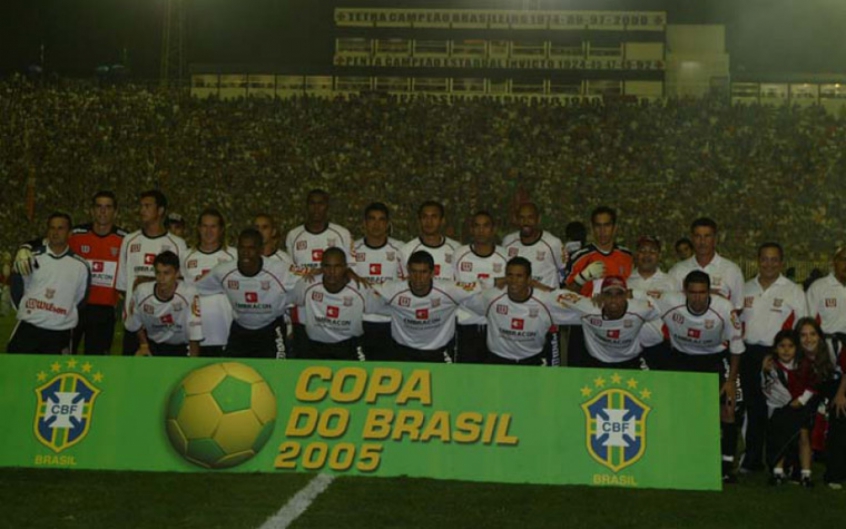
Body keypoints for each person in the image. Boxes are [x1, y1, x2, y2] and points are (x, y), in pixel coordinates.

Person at [643, 270, 745, 483]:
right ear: (684, 292)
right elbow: (636, 296)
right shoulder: (670, 301)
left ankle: (726, 466)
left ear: (710, 292)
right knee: (676, 410)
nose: (697, 298)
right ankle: (677, 458)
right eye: (693, 293)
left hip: (715, 358)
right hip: (682, 358)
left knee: (727, 408)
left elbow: (736, 347)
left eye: (702, 293)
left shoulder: (724, 308)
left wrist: (730, 381)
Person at [740, 242, 808, 473]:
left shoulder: (793, 290)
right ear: (758, 260)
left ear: (782, 262)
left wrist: (785, 357)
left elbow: (802, 326)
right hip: (748, 353)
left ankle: (781, 461)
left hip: (778, 354)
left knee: (779, 410)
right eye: (764, 259)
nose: (769, 264)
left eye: (774, 259)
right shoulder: (746, 287)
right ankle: (752, 459)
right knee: (754, 408)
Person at [197, 228, 296, 358]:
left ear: (260, 250)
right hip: (240, 330)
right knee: (229, 369)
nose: (245, 253)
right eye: (242, 248)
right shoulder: (223, 271)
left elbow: (308, 277)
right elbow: (196, 288)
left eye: (251, 248)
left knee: (276, 371)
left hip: (271, 329)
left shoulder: (280, 270)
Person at [116, 190, 188, 356]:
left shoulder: (177, 244)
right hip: (135, 326)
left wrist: (146, 281)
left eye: (147, 206)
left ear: (161, 210)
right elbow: (123, 286)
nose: (142, 210)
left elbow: (181, 284)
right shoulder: (129, 240)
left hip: (165, 326)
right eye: (141, 206)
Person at [462, 257, 571, 365]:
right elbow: (462, 293)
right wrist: (494, 281)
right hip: (498, 360)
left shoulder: (545, 301)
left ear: (529, 279)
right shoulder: (491, 297)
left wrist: (545, 288)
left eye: (519, 276)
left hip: (532, 360)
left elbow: (571, 304)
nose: (513, 281)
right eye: (510, 275)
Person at [370, 251, 475, 363]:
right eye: (413, 271)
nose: (418, 277)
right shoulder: (392, 289)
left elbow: (478, 287)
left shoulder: (448, 290)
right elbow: (363, 291)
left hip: (438, 353)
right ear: (408, 271)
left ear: (432, 273)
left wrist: (494, 281)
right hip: (403, 352)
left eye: (423, 272)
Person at [8, 213, 91, 355]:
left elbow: (80, 300)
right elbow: (16, 288)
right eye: (52, 228)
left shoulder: (81, 266)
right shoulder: (30, 257)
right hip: (29, 329)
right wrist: (30, 311)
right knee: (15, 373)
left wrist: (57, 313)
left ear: (70, 233)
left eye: (60, 228)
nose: (55, 232)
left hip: (59, 333)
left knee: (55, 376)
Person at [285, 189, 353, 357]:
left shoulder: (341, 234)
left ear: (327, 207)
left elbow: (350, 270)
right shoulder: (293, 236)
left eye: (320, 203)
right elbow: (290, 274)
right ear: (306, 207)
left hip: (335, 316)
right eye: (312, 203)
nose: (316, 208)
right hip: (304, 317)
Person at [564, 206, 632, 367]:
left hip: (617, 326)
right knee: (581, 380)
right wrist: (582, 278)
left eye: (607, 225)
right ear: (592, 228)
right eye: (598, 226)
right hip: (584, 325)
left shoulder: (627, 256)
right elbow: (564, 296)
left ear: (614, 228)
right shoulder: (580, 257)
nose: (602, 231)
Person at [502, 202, 568, 366]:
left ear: (538, 219)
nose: (526, 222)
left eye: (530, 217)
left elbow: (563, 274)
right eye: (522, 218)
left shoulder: (553, 243)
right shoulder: (508, 242)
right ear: (516, 220)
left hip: (544, 316)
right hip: (517, 315)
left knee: (549, 366)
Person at [553, 276, 659, 369]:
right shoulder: (589, 307)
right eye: (608, 294)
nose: (613, 299)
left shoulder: (641, 309)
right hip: (596, 362)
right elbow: (555, 296)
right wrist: (581, 278)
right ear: (601, 296)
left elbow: (667, 301)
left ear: (626, 295)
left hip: (630, 361)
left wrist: (636, 293)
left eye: (619, 294)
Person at [292, 248, 379, 360]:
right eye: (327, 266)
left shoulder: (360, 288)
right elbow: (293, 301)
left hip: (348, 345)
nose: (332, 271)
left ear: (345, 267)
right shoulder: (308, 283)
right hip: (314, 346)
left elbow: (379, 310)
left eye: (337, 266)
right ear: (321, 267)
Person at [68, 191, 126, 355]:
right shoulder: (75, 235)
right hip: (74, 306)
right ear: (92, 210)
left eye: (108, 207)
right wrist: (27, 247)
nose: (103, 211)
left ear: (115, 212)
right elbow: (51, 240)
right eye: (99, 207)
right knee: (64, 356)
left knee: (97, 360)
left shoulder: (124, 240)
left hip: (104, 311)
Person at [794, 318, 846, 489]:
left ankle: (834, 475)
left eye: (813, 334)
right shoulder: (796, 353)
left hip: (840, 385)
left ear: (820, 335)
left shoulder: (834, 345)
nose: (808, 339)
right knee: (800, 418)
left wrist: (840, 395)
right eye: (803, 335)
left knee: (838, 419)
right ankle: (797, 468)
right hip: (814, 387)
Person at [761, 330, 816, 487]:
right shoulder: (771, 367)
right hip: (780, 409)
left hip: (801, 407)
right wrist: (765, 371)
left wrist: (802, 400)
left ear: (797, 348)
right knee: (780, 437)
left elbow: (813, 385)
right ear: (775, 348)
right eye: (782, 346)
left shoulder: (804, 365)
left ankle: (806, 474)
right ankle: (778, 472)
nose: (786, 350)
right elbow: (766, 388)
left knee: (804, 438)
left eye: (790, 346)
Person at [351, 202, 404, 361]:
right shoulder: (352, 250)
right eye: (372, 219)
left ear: (388, 224)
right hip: (360, 321)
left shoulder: (401, 249)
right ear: (364, 223)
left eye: (381, 220)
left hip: (391, 322)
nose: (376, 224)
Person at [125, 251, 202, 357]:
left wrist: (193, 361)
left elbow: (195, 331)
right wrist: (144, 346)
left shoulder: (189, 293)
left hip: (181, 347)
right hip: (153, 345)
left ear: (177, 273)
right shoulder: (142, 292)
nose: (161, 278)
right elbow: (134, 323)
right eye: (158, 273)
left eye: (166, 273)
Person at [454, 211, 507, 364]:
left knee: (493, 376)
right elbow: (460, 289)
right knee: (466, 377)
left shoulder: (504, 256)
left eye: (486, 226)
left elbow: (507, 290)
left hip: (495, 326)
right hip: (466, 324)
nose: (481, 231)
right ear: (471, 229)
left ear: (493, 229)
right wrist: (493, 281)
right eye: (477, 226)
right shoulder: (460, 254)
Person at [182, 208, 236, 356]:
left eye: (213, 226)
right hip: (196, 333)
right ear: (198, 229)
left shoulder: (233, 256)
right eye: (204, 226)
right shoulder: (186, 256)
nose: (208, 231)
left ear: (221, 229)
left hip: (225, 328)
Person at [669, 218, 744, 312]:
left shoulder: (732, 270)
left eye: (707, 236)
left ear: (715, 239)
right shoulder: (677, 271)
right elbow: (670, 306)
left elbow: (738, 308)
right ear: (692, 238)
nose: (702, 242)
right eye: (698, 236)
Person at [627, 236, 675, 370]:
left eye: (652, 251)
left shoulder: (670, 282)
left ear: (659, 255)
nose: (647, 255)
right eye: (643, 251)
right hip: (629, 349)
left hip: (661, 349)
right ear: (636, 254)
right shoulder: (626, 280)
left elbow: (669, 309)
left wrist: (636, 295)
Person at [399, 201, 459, 281]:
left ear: (442, 221)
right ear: (419, 221)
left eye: (434, 217)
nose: (429, 221)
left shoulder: (457, 249)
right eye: (424, 217)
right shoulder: (406, 250)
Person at [806, 247, 846, 338]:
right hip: (828, 346)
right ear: (835, 262)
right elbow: (808, 322)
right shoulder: (818, 288)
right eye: (844, 259)